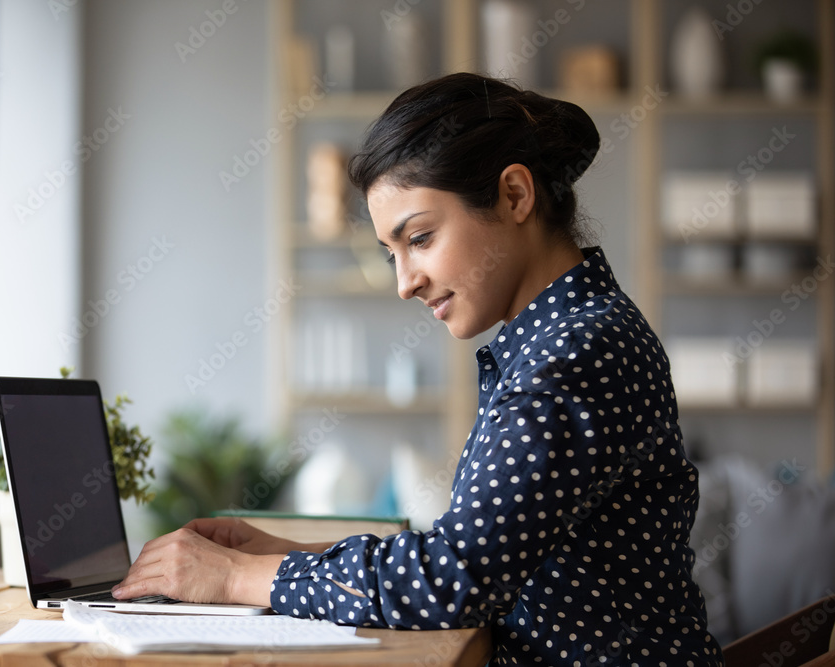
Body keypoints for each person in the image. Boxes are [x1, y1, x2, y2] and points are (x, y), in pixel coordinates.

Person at [113, 72, 724, 666]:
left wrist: (237, 577)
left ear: (515, 195)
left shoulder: (574, 352)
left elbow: (452, 580)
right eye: (391, 253)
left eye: (421, 238)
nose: (405, 283)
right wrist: (285, 555)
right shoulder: (561, 335)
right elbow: (471, 549)